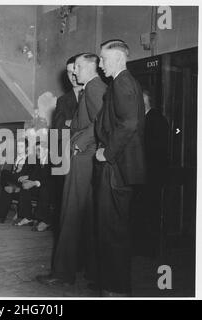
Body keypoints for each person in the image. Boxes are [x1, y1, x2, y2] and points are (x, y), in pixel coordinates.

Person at [38, 53, 107, 286]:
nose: (74, 73)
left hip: (82, 159)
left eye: (77, 67)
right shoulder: (93, 88)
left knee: (69, 215)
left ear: (89, 67)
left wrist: (78, 142)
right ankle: (93, 272)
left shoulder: (95, 87)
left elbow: (101, 122)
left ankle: (62, 273)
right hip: (85, 159)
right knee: (85, 217)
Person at [95, 39, 146, 296]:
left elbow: (129, 123)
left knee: (113, 230)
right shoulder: (122, 82)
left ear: (116, 59)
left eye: (103, 59)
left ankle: (115, 289)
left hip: (117, 168)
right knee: (114, 228)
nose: (100, 64)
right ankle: (115, 287)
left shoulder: (122, 82)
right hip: (121, 168)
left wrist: (108, 152)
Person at [133, 90, 169, 257]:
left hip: (152, 174)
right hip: (147, 173)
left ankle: (149, 249)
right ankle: (144, 247)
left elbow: (154, 149)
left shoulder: (155, 119)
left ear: (145, 103)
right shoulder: (149, 118)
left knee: (150, 211)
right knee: (145, 211)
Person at [51, 55, 83, 241]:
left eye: (75, 71)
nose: (73, 75)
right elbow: (57, 128)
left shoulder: (97, 94)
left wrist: (71, 123)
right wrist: (78, 123)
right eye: (69, 72)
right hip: (67, 161)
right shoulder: (63, 100)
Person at [0, 138, 31, 224]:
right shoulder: (14, 158)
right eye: (18, 146)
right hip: (12, 182)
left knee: (4, 173)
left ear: (26, 148)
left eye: (21, 146)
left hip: (21, 182)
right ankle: (0, 217)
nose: (19, 148)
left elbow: (29, 175)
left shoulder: (29, 159)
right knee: (4, 187)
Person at [17, 140, 52, 232]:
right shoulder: (38, 160)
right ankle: (28, 217)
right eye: (36, 150)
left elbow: (51, 180)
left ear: (47, 150)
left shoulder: (52, 160)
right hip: (40, 185)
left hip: (52, 189)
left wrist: (34, 183)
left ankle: (45, 221)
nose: (37, 153)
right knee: (25, 187)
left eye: (39, 150)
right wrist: (29, 180)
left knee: (44, 190)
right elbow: (35, 175)